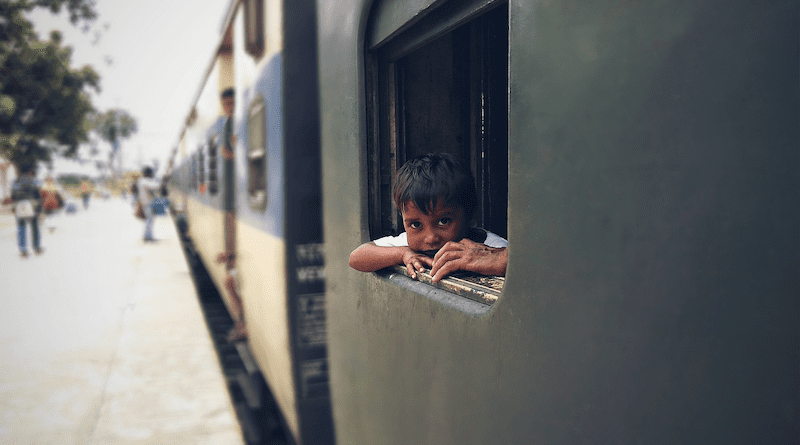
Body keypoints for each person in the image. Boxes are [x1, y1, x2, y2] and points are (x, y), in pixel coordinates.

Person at [349, 153, 508, 282]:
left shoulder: (490, 247)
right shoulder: (407, 246)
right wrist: (402, 254)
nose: (430, 238)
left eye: (443, 221)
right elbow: (356, 257)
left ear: (470, 215)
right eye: (416, 225)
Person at [219, 87, 246, 341]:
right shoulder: (229, 124)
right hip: (234, 203)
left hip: (240, 203)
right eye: (226, 103)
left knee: (229, 282)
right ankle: (241, 323)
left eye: (232, 102)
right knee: (230, 280)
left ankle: (241, 324)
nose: (229, 106)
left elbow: (232, 152)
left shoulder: (236, 123)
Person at [11, 163, 43, 257]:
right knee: (34, 227)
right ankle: (36, 248)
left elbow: (13, 195)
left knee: (21, 227)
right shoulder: (33, 180)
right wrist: (39, 207)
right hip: (31, 204)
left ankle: (23, 250)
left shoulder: (15, 181)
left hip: (19, 204)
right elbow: (37, 193)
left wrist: (14, 206)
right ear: (30, 171)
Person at [137, 166, 160, 242]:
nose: (151, 175)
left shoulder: (143, 180)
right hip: (147, 203)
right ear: (148, 174)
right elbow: (154, 186)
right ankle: (147, 237)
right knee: (149, 220)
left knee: (149, 220)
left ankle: (148, 236)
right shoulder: (144, 181)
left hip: (146, 202)